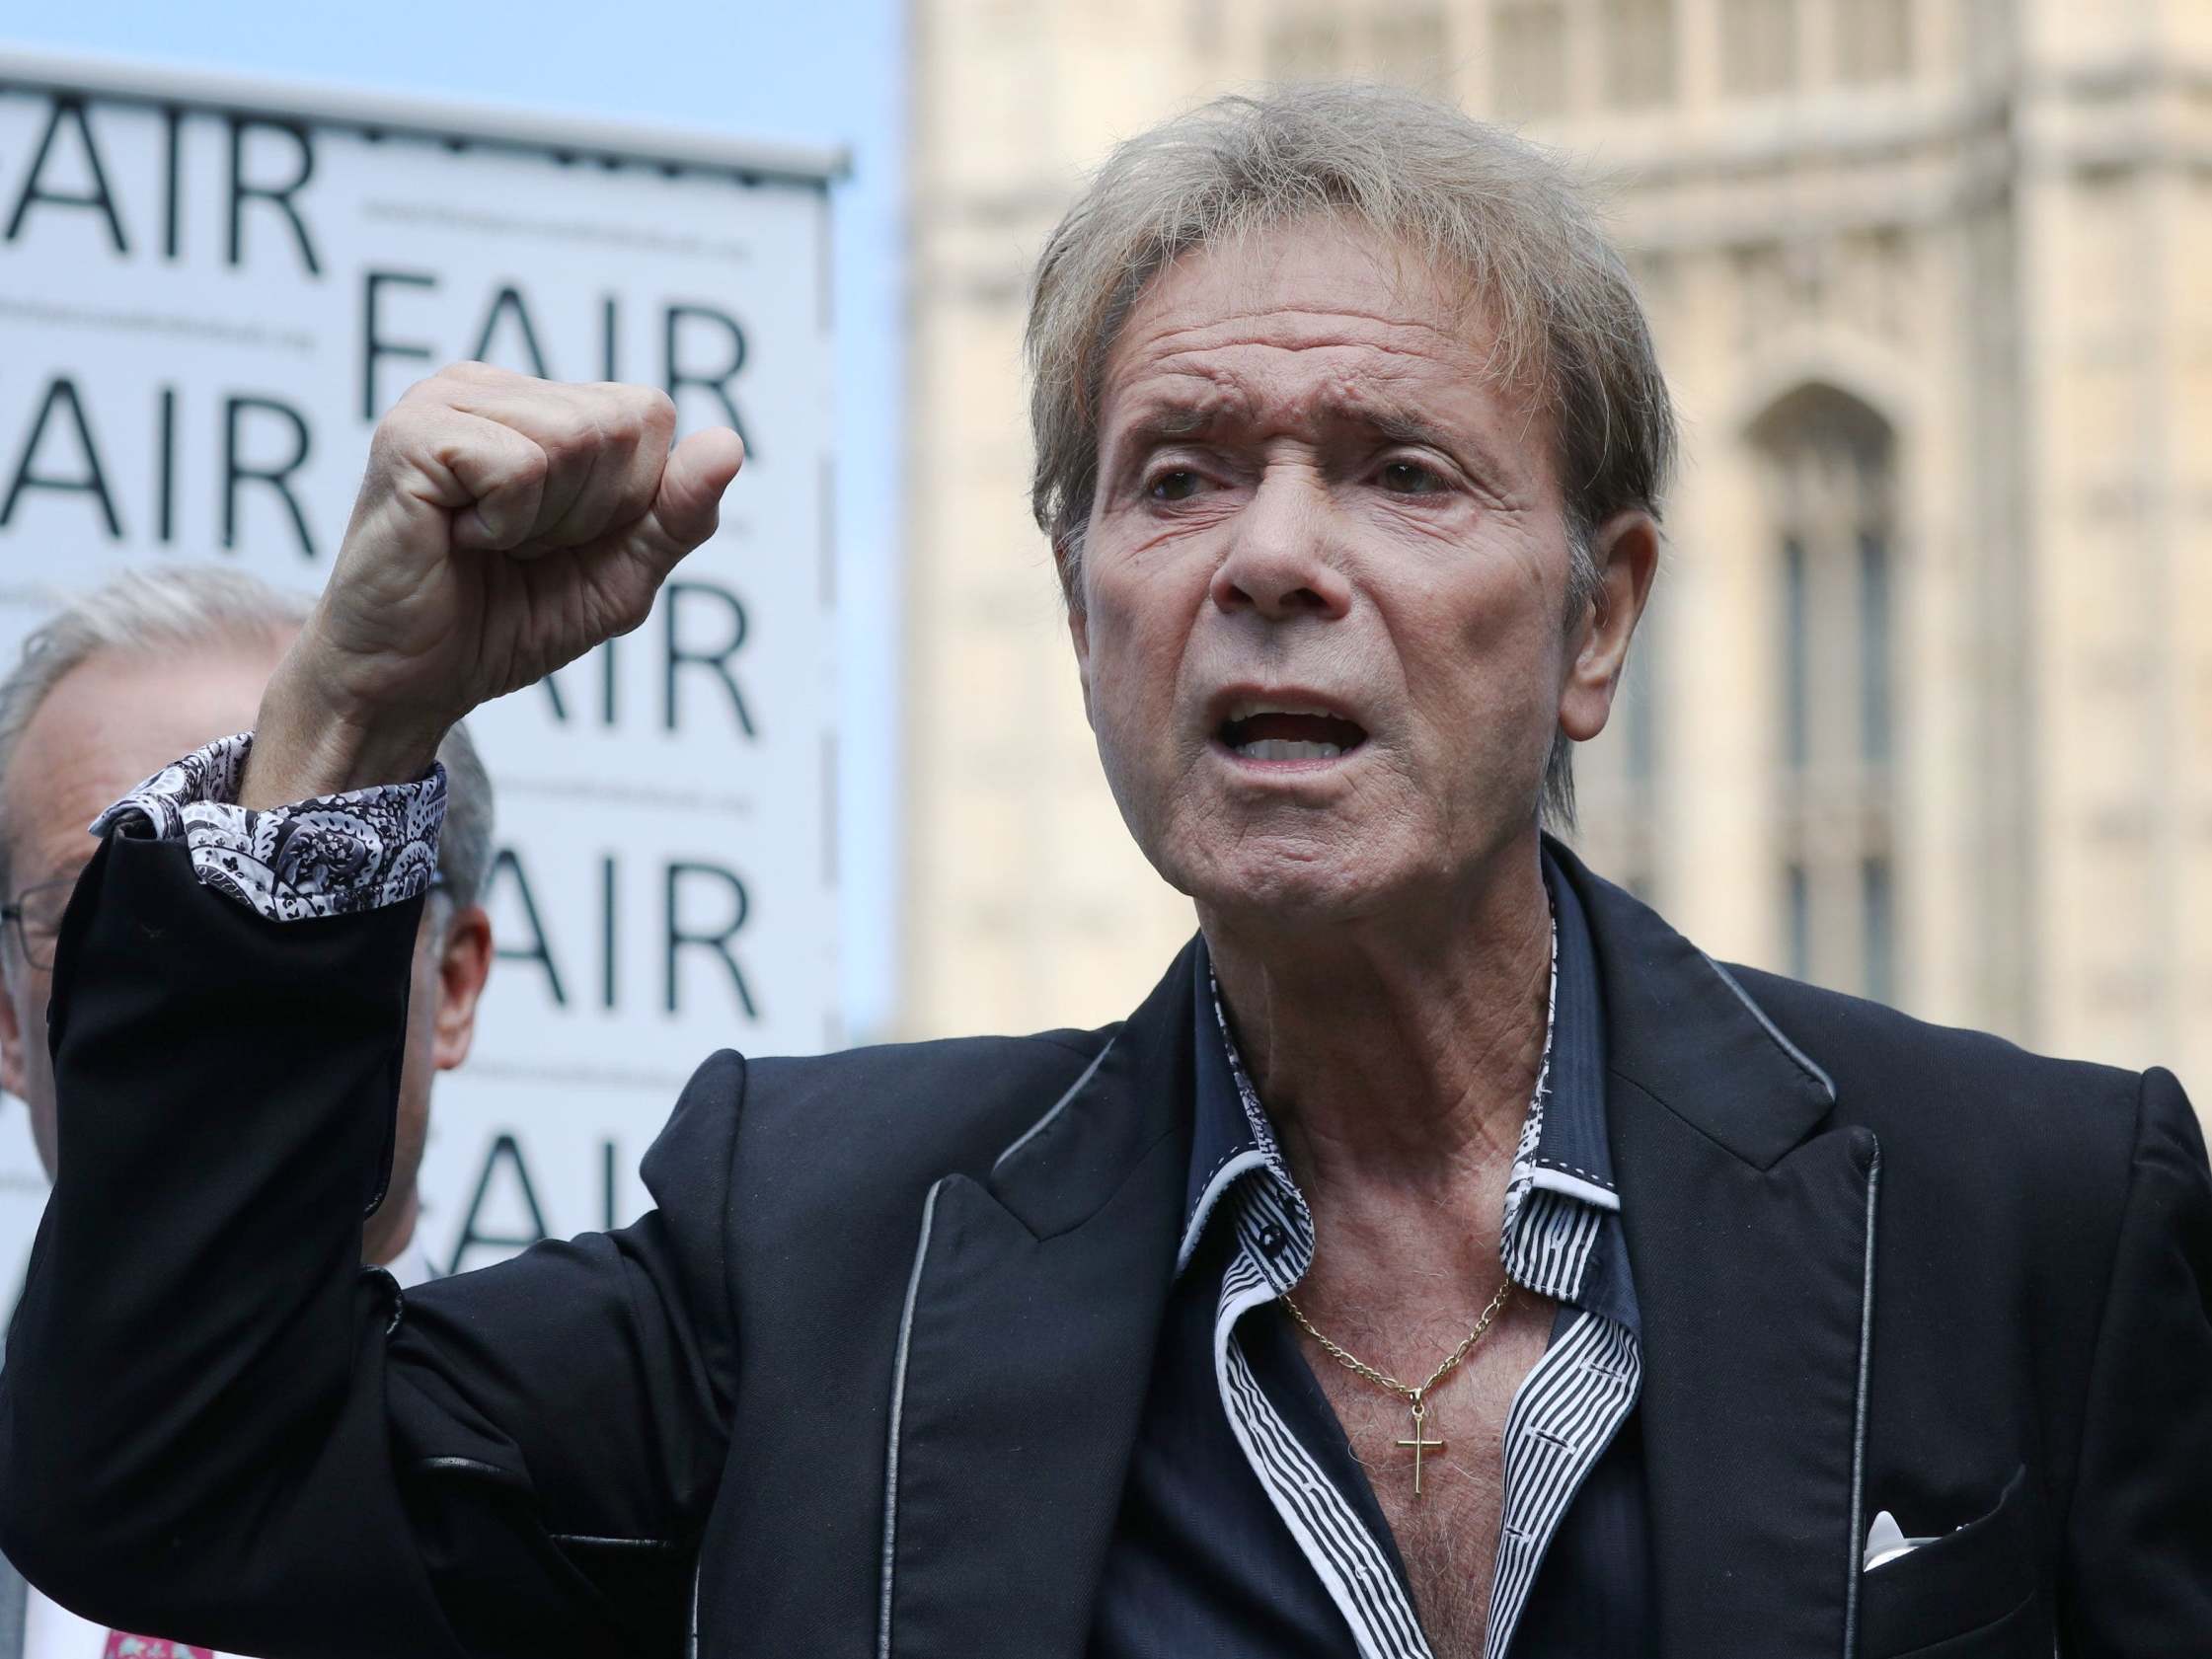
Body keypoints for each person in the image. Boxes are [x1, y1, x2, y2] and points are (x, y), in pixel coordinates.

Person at [1, 83, 2206, 1659]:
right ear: (1080, 619)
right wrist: (351, 727)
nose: (1267, 556)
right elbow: (186, 1477)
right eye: (1174, 479)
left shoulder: (2030, 1209)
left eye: (1398, 472)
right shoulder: (816, 1241)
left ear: (1595, 619)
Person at [0, 566, 497, 1659]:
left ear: (452, 985)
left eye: (287, 892)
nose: (196, 981)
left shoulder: (632, 1510)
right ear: (6, 1021)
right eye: (106, 904)